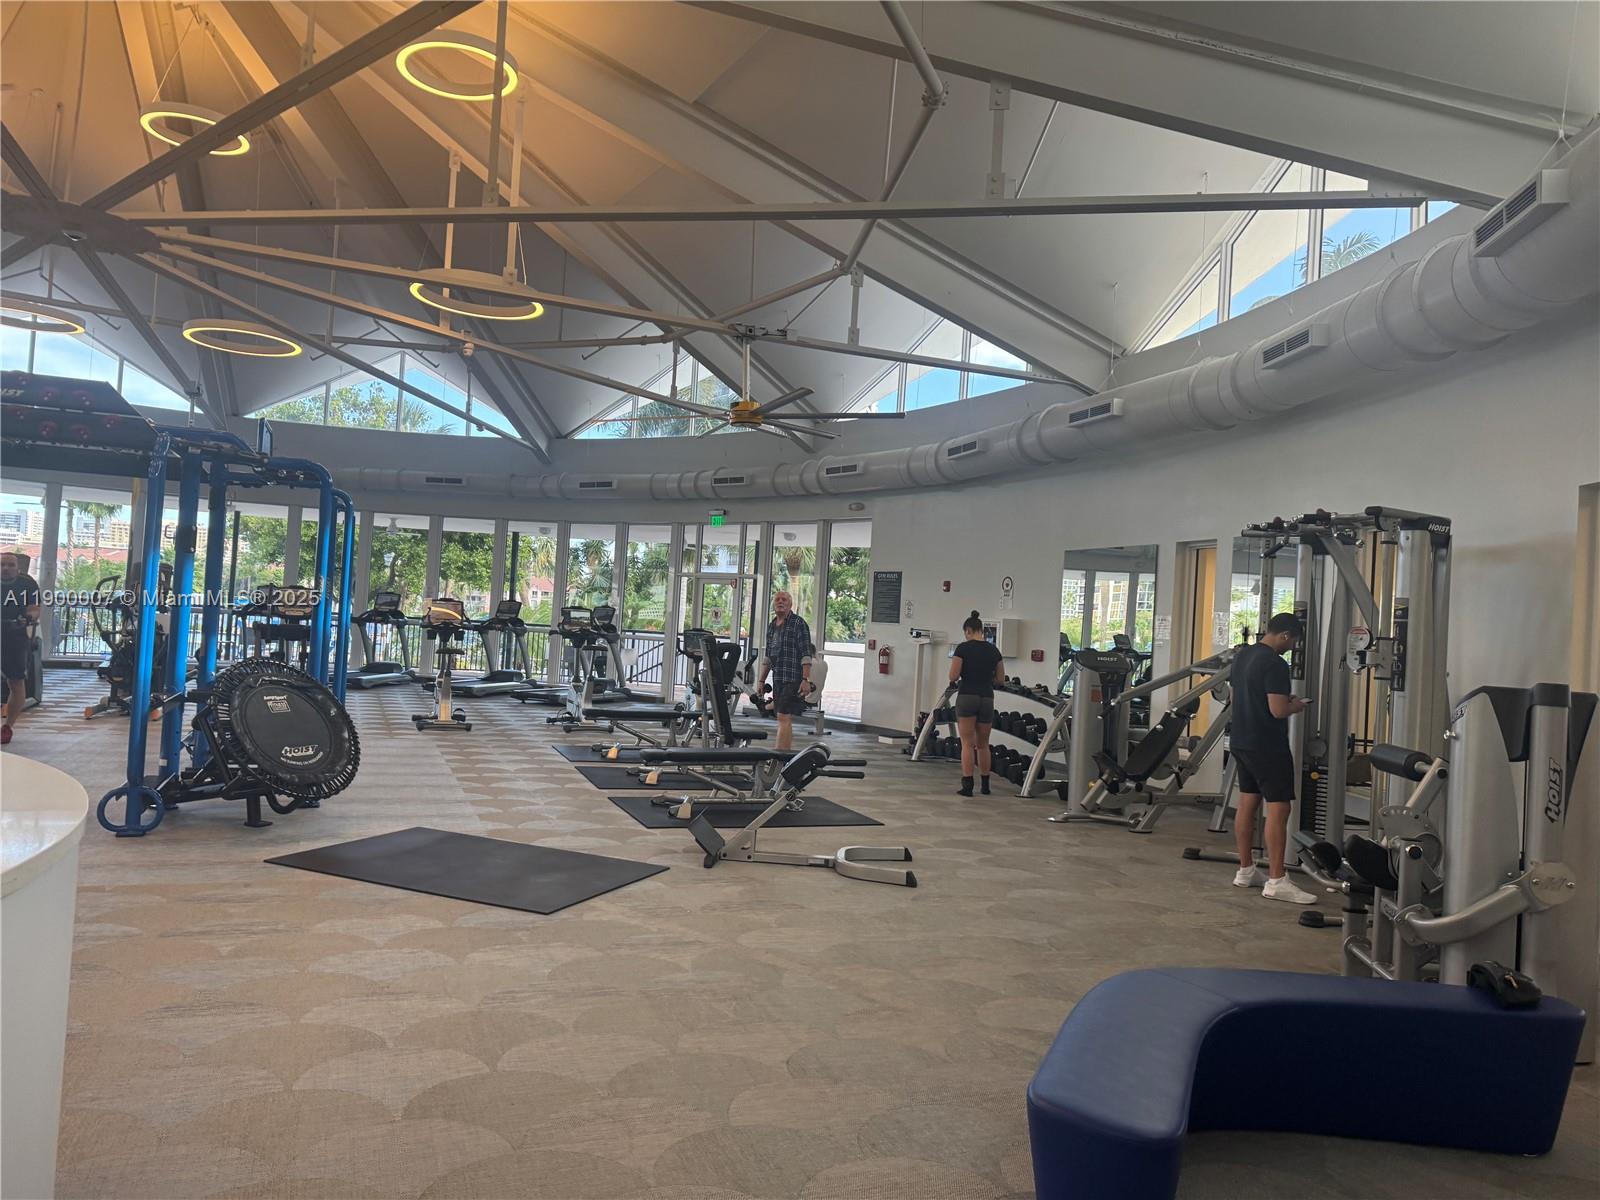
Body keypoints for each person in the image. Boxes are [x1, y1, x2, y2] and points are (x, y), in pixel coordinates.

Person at [1228, 611, 1317, 904]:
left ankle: (1245, 871)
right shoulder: (1276, 664)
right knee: (1279, 808)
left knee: (1248, 801)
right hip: (1267, 744)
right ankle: (1277, 880)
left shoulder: (1242, 656)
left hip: (1241, 739)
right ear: (1285, 635)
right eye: (1292, 642)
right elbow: (1278, 710)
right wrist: (1295, 706)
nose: (1291, 648)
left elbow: (1241, 697)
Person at [949, 610, 1004, 797]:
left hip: (967, 696)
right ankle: (986, 785)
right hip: (987, 697)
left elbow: (953, 675)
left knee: (967, 743)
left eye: (965, 632)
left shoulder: (963, 649)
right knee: (983, 744)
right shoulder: (994, 650)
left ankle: (967, 786)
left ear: (969, 630)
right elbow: (1000, 679)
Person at [757, 590, 815, 752]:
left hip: (793, 677)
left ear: (791, 604)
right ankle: (783, 753)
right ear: (773, 604)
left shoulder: (798, 624)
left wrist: (805, 680)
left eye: (784, 600)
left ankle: (780, 754)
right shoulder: (772, 626)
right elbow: (768, 657)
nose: (780, 602)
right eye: (777, 600)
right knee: (781, 716)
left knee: (783, 715)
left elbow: (806, 654)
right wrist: (761, 681)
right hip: (778, 678)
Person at [1, 551, 42, 746]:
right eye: (2, 564)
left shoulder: (27, 584)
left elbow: (34, 608)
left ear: (18, 569)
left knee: (16, 682)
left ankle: (7, 727)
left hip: (15, 636)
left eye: (10, 565)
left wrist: (28, 617)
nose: (6, 568)